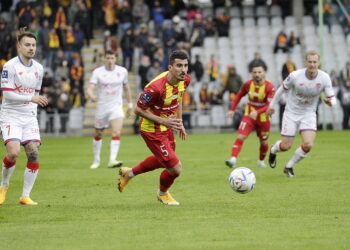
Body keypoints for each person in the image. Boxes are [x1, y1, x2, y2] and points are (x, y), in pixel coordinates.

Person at [117, 50, 191, 206]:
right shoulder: (156, 88)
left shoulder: (184, 80)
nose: (183, 69)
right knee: (175, 168)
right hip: (152, 129)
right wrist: (163, 122)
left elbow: (178, 99)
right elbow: (138, 110)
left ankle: (128, 173)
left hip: (167, 125)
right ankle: (162, 194)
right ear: (170, 67)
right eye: (179, 66)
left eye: (185, 65)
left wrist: (180, 121)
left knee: (164, 161)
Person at [267, 51, 337, 177]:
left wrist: (331, 102)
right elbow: (280, 90)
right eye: (309, 61)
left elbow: (332, 97)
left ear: (318, 63)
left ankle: (289, 167)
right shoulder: (295, 76)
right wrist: (271, 106)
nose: (312, 64)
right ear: (305, 62)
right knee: (286, 146)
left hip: (308, 113)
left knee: (308, 144)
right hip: (291, 113)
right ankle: (273, 149)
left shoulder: (324, 78)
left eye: (315, 62)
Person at [0, 30, 49, 205]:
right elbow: (8, 95)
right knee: (13, 153)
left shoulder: (39, 68)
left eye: (33, 45)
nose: (31, 48)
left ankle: (25, 196)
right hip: (11, 115)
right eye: (27, 45)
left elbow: (35, 94)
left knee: (33, 153)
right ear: (19, 46)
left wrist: (32, 115)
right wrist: (31, 98)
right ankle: (3, 186)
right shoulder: (10, 66)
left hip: (29, 116)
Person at [86, 50, 133, 169]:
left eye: (112, 58)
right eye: (108, 58)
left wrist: (130, 105)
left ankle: (112, 160)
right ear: (104, 59)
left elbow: (127, 88)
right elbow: (90, 87)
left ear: (115, 59)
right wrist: (91, 95)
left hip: (116, 106)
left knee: (116, 132)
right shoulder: (98, 72)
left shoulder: (122, 71)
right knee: (99, 133)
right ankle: (96, 160)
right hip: (102, 107)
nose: (110, 60)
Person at [225, 62, 275, 168]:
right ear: (251, 73)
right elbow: (239, 96)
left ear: (264, 73)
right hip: (249, 115)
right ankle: (233, 159)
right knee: (241, 136)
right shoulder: (248, 84)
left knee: (263, 141)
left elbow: (269, 105)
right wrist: (232, 109)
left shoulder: (270, 87)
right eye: (254, 72)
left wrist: (257, 112)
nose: (257, 74)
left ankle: (261, 161)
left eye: (259, 72)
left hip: (264, 118)